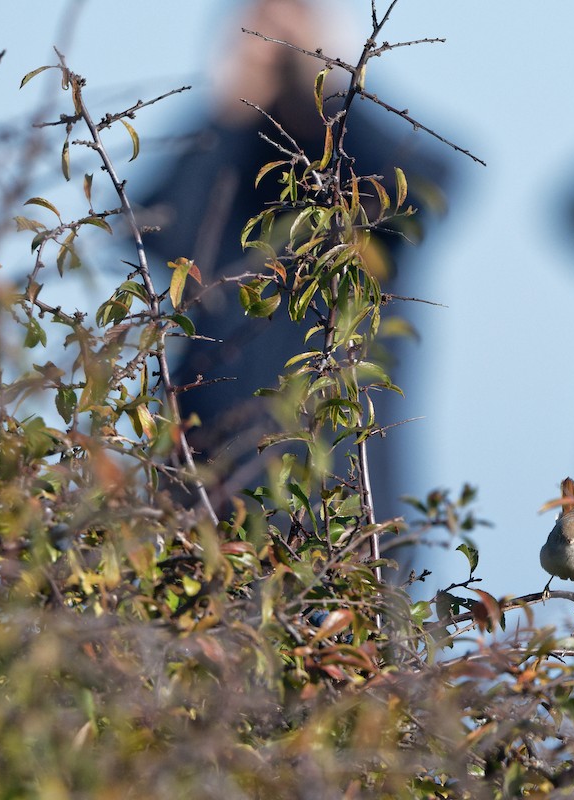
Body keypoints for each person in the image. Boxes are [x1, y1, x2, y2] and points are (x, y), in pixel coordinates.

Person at [138, 0, 450, 512]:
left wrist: (328, 90)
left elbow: (425, 194)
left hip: (344, 474)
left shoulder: (359, 154)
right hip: (211, 470)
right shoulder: (228, 155)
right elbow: (158, 231)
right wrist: (232, 105)